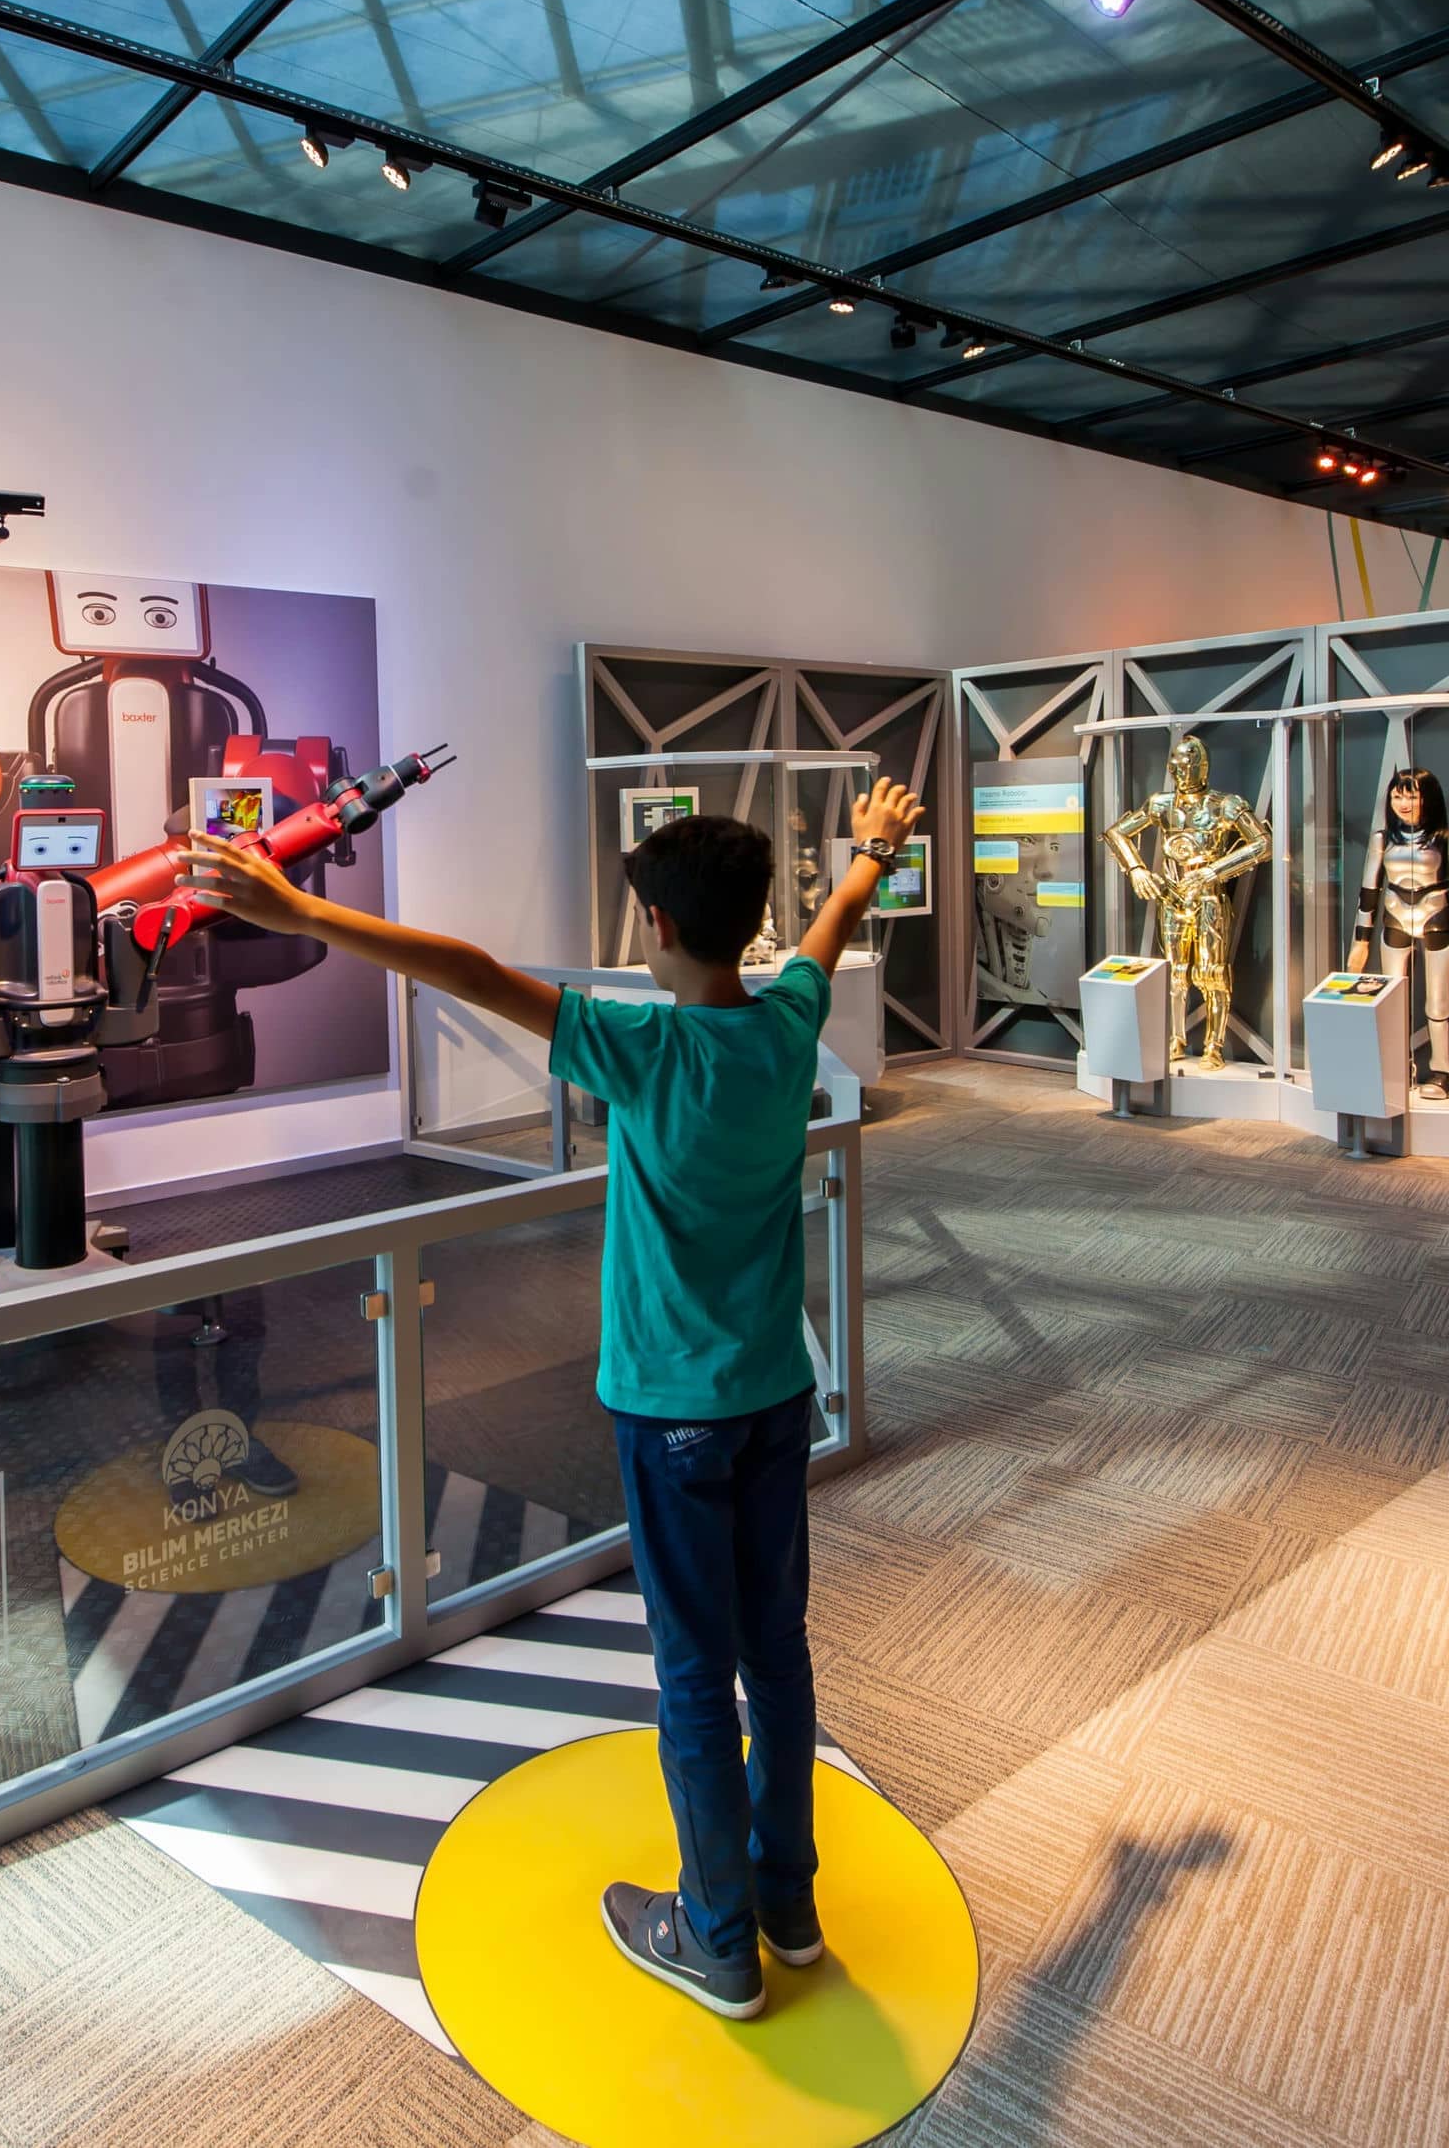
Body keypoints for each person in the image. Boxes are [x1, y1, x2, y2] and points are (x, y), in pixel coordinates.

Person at [183, 775, 927, 2021]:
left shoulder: (644, 1046)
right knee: (775, 1651)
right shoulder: (788, 1023)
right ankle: (787, 1905)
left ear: (662, 929)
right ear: (743, 920)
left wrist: (303, 914)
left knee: (694, 1672)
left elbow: (472, 971)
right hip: (772, 1393)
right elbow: (829, 927)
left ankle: (716, 1937)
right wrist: (871, 852)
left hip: (670, 1407)